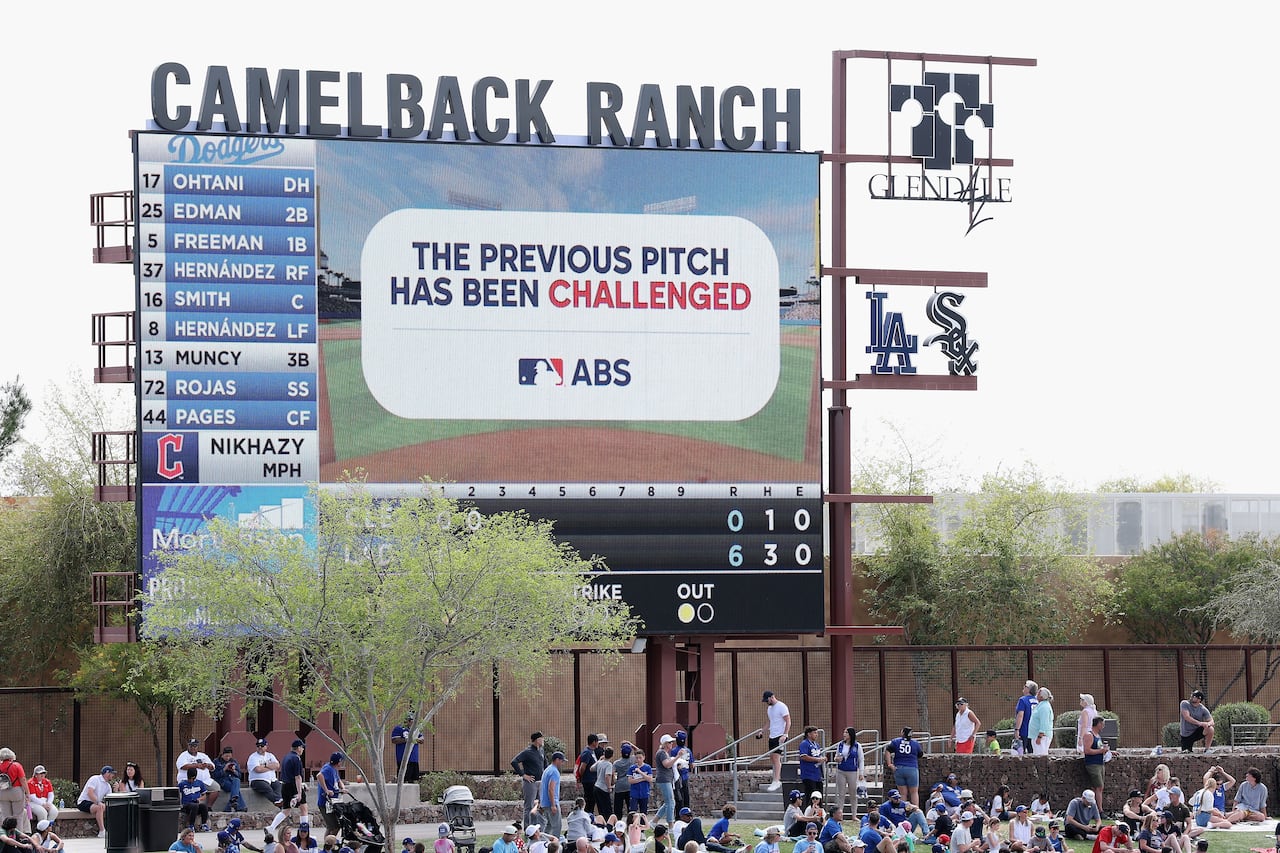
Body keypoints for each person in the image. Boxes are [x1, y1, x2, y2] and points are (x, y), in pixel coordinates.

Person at [513, 733, 547, 829]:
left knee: (541, 805)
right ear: (536, 740)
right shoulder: (527, 752)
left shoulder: (541, 750)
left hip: (540, 781)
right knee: (529, 806)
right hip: (530, 782)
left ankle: (540, 828)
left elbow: (545, 763)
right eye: (541, 738)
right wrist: (523, 775)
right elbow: (514, 761)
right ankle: (528, 828)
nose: (543, 740)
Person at [761, 691, 792, 793]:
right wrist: (762, 731)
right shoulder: (769, 709)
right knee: (772, 758)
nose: (767, 702)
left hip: (780, 736)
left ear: (772, 697)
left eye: (767, 700)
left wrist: (785, 734)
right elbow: (770, 721)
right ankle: (776, 778)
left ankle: (776, 780)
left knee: (776, 757)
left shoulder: (782, 706)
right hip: (772, 735)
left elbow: (788, 721)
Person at [275, 738, 307, 834]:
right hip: (293, 786)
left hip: (284, 785)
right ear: (298, 748)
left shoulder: (286, 757)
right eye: (302, 747)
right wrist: (299, 793)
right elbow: (298, 776)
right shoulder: (296, 758)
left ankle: (271, 827)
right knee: (304, 808)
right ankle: (305, 830)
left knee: (286, 809)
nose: (303, 750)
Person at [885, 728, 923, 808]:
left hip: (899, 768)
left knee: (902, 793)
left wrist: (890, 764)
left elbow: (887, 750)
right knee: (914, 792)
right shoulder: (915, 743)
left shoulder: (896, 741)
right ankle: (916, 810)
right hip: (912, 768)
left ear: (902, 733)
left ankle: (903, 810)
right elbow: (920, 754)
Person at [76, 764, 116, 838]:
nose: (113, 775)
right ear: (107, 773)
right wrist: (98, 802)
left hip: (95, 804)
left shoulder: (108, 786)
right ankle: (102, 831)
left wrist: (116, 791)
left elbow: (109, 799)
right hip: (83, 802)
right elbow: (90, 793)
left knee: (108, 808)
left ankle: (112, 829)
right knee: (99, 808)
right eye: (112, 773)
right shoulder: (94, 779)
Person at [833, 728, 863, 816]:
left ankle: (854, 814)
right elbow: (836, 756)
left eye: (846, 732)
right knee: (841, 793)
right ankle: (839, 814)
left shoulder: (857, 746)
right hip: (841, 770)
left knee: (853, 793)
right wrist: (836, 759)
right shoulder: (840, 744)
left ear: (850, 734)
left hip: (852, 771)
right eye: (844, 732)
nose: (844, 734)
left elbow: (861, 759)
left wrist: (861, 773)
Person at [317, 753, 348, 837]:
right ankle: (329, 842)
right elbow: (319, 775)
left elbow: (338, 780)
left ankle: (328, 842)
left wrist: (343, 788)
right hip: (326, 802)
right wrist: (326, 790)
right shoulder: (328, 768)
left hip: (334, 802)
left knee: (331, 826)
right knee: (334, 827)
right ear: (338, 762)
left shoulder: (334, 769)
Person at [249, 738, 285, 808]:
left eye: (262, 746)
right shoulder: (253, 757)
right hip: (257, 780)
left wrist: (264, 765)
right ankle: (278, 801)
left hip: (272, 780)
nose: (260, 747)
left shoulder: (270, 755)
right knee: (267, 788)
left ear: (266, 746)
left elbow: (277, 765)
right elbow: (258, 769)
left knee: (279, 786)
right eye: (258, 746)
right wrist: (270, 767)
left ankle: (280, 803)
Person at [1082, 716, 1109, 805]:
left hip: (1100, 763)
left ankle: (1094, 806)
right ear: (1098, 724)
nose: (1103, 726)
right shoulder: (1089, 735)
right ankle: (1099, 809)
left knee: (1098, 787)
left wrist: (1107, 751)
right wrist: (1100, 751)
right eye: (1102, 724)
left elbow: (1099, 749)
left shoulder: (1098, 736)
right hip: (1093, 764)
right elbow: (1087, 750)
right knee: (1099, 786)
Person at [0, 749, 28, 834]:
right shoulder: (16, 765)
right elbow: (23, 780)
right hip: (16, 791)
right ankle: (18, 836)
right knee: (18, 816)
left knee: (5, 816)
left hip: (2, 792)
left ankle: (5, 835)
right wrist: (27, 792)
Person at [540, 751, 566, 838]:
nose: (562, 763)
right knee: (557, 826)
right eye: (562, 761)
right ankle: (556, 843)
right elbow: (551, 788)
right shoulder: (555, 772)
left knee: (549, 825)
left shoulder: (547, 770)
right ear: (557, 760)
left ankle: (543, 840)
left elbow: (542, 786)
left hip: (545, 802)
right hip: (551, 802)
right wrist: (553, 805)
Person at [213, 746, 247, 812]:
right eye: (226, 756)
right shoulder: (216, 762)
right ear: (222, 755)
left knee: (237, 780)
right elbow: (215, 775)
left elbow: (239, 775)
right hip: (223, 781)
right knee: (236, 789)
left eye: (229, 756)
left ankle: (231, 804)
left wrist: (234, 771)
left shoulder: (234, 761)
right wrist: (224, 769)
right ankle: (240, 806)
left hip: (232, 780)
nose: (228, 758)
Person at [392, 716, 425, 784]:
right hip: (403, 757)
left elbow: (422, 739)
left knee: (413, 779)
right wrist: (407, 740)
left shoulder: (416, 729)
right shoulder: (399, 728)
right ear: (408, 721)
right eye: (412, 721)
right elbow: (394, 740)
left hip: (414, 758)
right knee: (404, 778)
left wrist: (418, 739)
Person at [653, 735, 677, 825]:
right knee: (670, 802)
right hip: (664, 779)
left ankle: (654, 821)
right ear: (665, 744)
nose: (672, 744)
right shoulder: (662, 753)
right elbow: (667, 765)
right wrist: (678, 756)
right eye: (670, 742)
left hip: (666, 779)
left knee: (668, 802)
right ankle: (671, 824)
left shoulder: (665, 753)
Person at [799, 727, 825, 800]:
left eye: (817, 733)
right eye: (815, 733)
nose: (816, 735)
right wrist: (817, 759)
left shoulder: (817, 745)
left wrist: (822, 759)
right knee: (810, 796)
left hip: (817, 774)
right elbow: (803, 756)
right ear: (809, 734)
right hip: (808, 774)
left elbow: (818, 756)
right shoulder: (804, 744)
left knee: (819, 796)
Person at [1012, 683, 1038, 754]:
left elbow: (1020, 715)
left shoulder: (1023, 700)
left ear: (1029, 689)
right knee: (1033, 753)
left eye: (1025, 686)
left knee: (1019, 754)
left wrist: (1017, 729)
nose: (1023, 687)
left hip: (1024, 731)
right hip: (1035, 732)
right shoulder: (1037, 701)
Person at [625, 751, 652, 818]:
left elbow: (650, 779)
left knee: (643, 812)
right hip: (634, 793)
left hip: (644, 792)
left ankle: (643, 824)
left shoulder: (647, 767)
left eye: (640, 758)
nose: (638, 759)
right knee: (633, 812)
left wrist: (640, 772)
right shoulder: (632, 768)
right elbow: (630, 780)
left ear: (644, 757)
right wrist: (642, 779)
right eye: (637, 758)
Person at [593, 748, 616, 820]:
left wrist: (599, 760)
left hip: (597, 786)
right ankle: (608, 823)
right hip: (603, 788)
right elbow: (607, 776)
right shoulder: (609, 764)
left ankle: (601, 822)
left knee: (600, 808)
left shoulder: (600, 763)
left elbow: (591, 768)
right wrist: (609, 787)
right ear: (612, 755)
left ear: (604, 754)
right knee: (607, 809)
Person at [1029, 689, 1053, 756]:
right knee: (1037, 754)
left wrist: (1040, 736)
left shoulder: (1044, 707)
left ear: (1042, 696)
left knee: (1041, 756)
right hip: (1036, 736)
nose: (1036, 694)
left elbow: (1044, 723)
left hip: (1042, 737)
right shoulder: (1041, 705)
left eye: (1038, 693)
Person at [673, 732, 693, 812]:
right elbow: (691, 764)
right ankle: (687, 811)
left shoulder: (674, 750)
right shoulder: (688, 750)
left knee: (678, 796)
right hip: (685, 776)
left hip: (677, 776)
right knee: (686, 795)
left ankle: (679, 813)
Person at [613, 744, 633, 819]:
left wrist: (613, 782)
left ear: (621, 752)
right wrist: (630, 744)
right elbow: (640, 751)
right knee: (630, 806)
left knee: (618, 807)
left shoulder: (616, 763)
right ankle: (630, 821)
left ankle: (618, 821)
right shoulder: (632, 760)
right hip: (630, 785)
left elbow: (612, 773)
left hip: (619, 786)